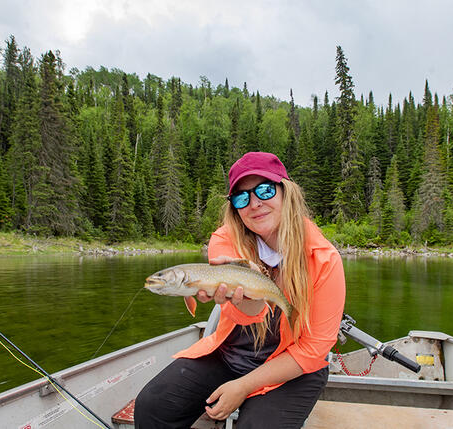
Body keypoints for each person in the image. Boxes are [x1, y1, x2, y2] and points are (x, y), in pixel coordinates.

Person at [134, 152, 346, 429]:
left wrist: (243, 387)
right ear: (235, 207)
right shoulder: (224, 240)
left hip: (294, 369)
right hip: (230, 355)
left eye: (265, 190)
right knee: (152, 406)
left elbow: (313, 349)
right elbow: (249, 312)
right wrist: (249, 298)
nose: (255, 203)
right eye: (242, 197)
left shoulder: (324, 259)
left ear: (286, 192)